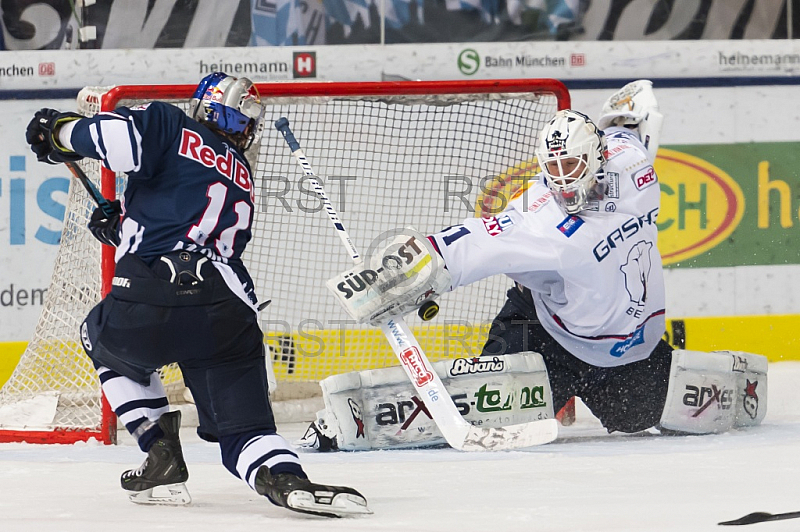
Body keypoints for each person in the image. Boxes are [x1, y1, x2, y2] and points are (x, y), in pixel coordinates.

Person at [322, 80, 766, 449]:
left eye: (572, 164)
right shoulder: (538, 217)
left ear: (597, 158)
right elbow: (476, 241)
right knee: (492, 410)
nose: (562, 179)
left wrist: (626, 113)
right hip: (544, 338)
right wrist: (398, 275)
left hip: (631, 354)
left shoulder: (632, 167)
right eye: (552, 167)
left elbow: (636, 128)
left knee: (641, 418)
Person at [24, 72, 370, 517]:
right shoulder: (240, 172)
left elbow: (116, 137)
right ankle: (284, 477)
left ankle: (157, 446)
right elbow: (194, 231)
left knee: (98, 336)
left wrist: (58, 132)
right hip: (226, 311)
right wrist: (124, 225)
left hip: (148, 301)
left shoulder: (170, 123)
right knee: (245, 430)